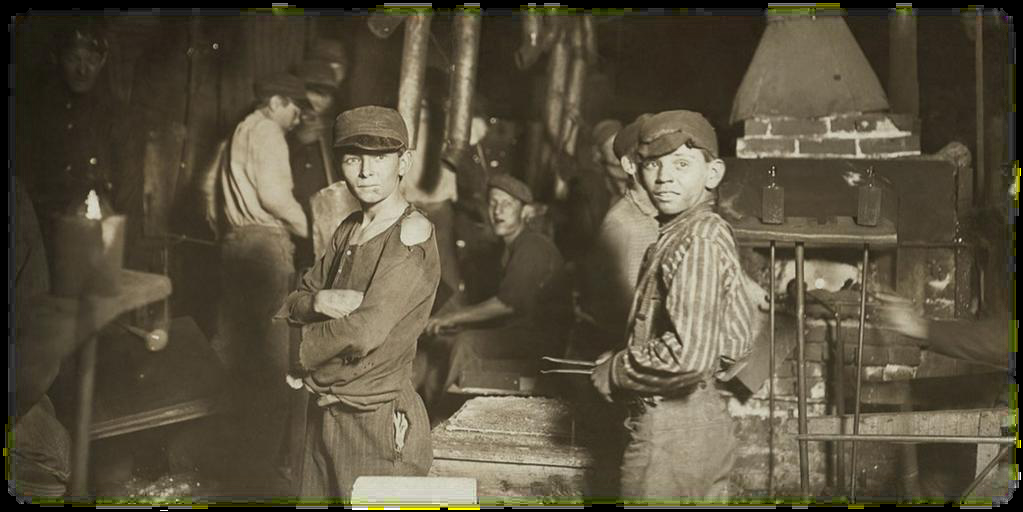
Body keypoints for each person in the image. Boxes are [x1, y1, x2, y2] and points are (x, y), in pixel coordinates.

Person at [589, 110, 755, 503]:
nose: (664, 177)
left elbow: (688, 358)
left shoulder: (695, 240)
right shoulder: (695, 232)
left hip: (671, 435)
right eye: (653, 164)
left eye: (681, 164)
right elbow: (735, 343)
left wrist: (618, 369)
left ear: (712, 174)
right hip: (702, 423)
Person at [277, 106, 440, 500]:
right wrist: (319, 301)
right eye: (353, 159)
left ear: (404, 163)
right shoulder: (349, 228)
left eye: (379, 158)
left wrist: (298, 359)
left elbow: (366, 331)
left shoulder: (412, 233)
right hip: (326, 412)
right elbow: (295, 301)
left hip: (375, 419)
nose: (365, 171)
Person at [214, 71, 311, 493]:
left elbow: (210, 199)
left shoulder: (239, 131)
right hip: (265, 250)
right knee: (271, 370)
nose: (297, 118)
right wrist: (313, 229)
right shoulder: (269, 131)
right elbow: (274, 195)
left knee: (235, 358)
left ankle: (230, 467)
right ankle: (259, 477)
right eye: (294, 108)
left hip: (235, 244)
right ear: (275, 103)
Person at [420, 174, 573, 406]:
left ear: (525, 211)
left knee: (467, 343)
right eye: (493, 203)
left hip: (542, 345)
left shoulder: (533, 246)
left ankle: (442, 411)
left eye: (507, 204)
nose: (498, 211)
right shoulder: (507, 249)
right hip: (522, 336)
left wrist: (451, 317)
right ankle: (430, 408)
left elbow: (507, 304)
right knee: (446, 343)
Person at [575, 114, 659, 359]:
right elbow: (626, 311)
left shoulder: (657, 214)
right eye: (652, 161)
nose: (665, 172)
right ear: (630, 166)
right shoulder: (622, 225)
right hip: (628, 349)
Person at [290, 59, 349, 270]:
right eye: (314, 92)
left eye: (326, 94)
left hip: (325, 214)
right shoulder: (285, 124)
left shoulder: (336, 128)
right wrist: (297, 140)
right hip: (291, 215)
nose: (320, 100)